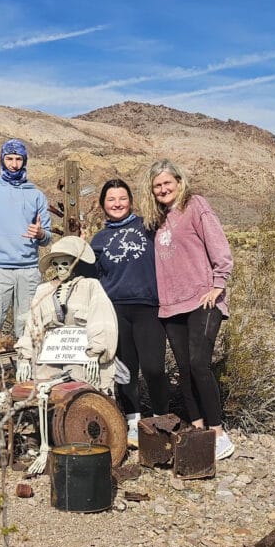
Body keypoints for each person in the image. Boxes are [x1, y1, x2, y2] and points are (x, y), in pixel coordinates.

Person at [143, 158, 235, 460]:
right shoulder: (156, 219)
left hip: (203, 299)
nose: (163, 189)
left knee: (199, 364)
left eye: (167, 183)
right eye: (157, 185)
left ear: (180, 182)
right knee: (183, 370)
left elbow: (219, 246)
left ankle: (218, 432)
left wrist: (218, 284)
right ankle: (196, 428)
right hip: (172, 305)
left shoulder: (196, 206)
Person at [0, 138, 52, 400]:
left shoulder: (35, 194)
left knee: (26, 329)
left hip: (28, 270)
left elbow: (48, 237)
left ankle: (26, 384)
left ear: (24, 162)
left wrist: (40, 234)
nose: (14, 164)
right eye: (9, 158)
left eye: (19, 159)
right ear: (2, 159)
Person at [90, 178, 169, 448]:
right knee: (125, 370)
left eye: (122, 198)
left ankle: (161, 418)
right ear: (103, 205)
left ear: (131, 201)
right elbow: (93, 277)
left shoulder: (148, 226)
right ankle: (133, 421)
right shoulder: (99, 240)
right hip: (115, 310)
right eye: (111, 200)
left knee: (154, 367)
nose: (117, 204)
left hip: (148, 306)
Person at [14, 236, 119, 390]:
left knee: (84, 395)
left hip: (82, 358)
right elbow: (32, 325)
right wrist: (25, 357)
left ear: (74, 264)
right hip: (49, 359)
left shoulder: (90, 286)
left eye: (65, 264)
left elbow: (101, 319)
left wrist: (96, 352)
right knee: (48, 395)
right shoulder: (43, 290)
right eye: (55, 264)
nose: (60, 269)